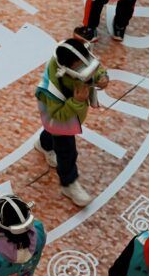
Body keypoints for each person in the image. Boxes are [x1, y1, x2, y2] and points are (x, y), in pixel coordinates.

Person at [34, 38, 108, 206]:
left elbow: (92, 65)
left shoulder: (76, 56)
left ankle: (44, 145)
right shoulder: (51, 90)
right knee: (67, 152)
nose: (87, 69)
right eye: (80, 68)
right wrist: (76, 102)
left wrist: (102, 76)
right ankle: (68, 184)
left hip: (65, 110)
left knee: (50, 132)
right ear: (66, 70)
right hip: (58, 117)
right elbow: (58, 117)